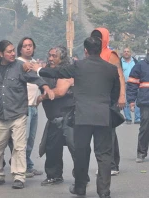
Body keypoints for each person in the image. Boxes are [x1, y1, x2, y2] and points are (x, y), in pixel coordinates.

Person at [28, 37, 120, 198]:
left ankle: (80, 188)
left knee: (81, 152)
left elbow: (57, 72)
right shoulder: (111, 69)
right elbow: (115, 93)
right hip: (103, 116)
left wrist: (38, 69)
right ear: (101, 50)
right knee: (104, 155)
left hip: (82, 116)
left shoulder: (78, 66)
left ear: (85, 50)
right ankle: (104, 191)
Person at [0, 40, 53, 189]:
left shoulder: (20, 67)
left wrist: (46, 87)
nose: (12, 53)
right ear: (1, 54)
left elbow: (36, 78)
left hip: (18, 114)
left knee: (19, 147)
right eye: (8, 51)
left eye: (13, 51)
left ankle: (19, 177)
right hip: (2, 115)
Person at [37, 46, 85, 186]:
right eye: (49, 55)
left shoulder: (67, 70)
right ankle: (54, 175)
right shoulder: (46, 70)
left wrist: (42, 97)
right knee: (52, 147)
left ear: (62, 58)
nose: (51, 59)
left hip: (68, 114)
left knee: (75, 146)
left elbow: (60, 91)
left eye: (54, 56)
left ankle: (81, 176)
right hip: (53, 116)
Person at [91, 28, 124, 176]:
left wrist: (121, 96)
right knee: (106, 132)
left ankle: (110, 165)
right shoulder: (93, 53)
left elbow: (120, 77)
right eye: (94, 37)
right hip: (97, 97)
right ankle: (110, 163)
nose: (97, 39)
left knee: (108, 132)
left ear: (105, 39)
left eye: (99, 37)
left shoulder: (111, 55)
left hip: (110, 98)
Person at [16, 37, 43, 178]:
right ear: (20, 49)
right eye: (25, 46)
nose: (28, 48)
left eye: (30, 45)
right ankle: (23, 166)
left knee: (31, 138)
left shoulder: (35, 64)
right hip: (24, 107)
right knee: (23, 139)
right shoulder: (17, 64)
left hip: (34, 106)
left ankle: (27, 164)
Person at [126, 50, 149, 163]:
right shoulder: (140, 66)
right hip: (146, 102)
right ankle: (141, 153)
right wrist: (131, 101)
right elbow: (132, 84)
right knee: (145, 128)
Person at [121, 47, 140, 124]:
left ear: (130, 53)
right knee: (125, 101)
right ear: (123, 53)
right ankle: (128, 118)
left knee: (137, 100)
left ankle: (137, 118)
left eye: (128, 51)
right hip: (124, 84)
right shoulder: (119, 62)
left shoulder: (135, 62)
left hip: (135, 84)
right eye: (125, 51)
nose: (126, 53)